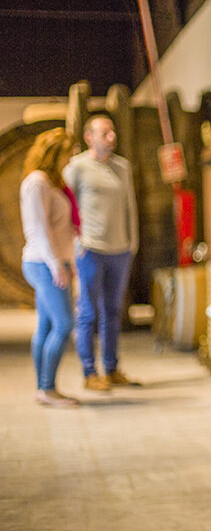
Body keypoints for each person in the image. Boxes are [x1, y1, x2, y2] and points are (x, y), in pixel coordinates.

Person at [64, 114, 138, 391]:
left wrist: (133, 243)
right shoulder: (76, 168)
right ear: (89, 137)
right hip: (90, 249)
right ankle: (89, 372)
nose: (111, 137)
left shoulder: (123, 167)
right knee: (87, 312)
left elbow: (130, 205)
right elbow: (66, 208)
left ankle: (112, 367)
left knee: (113, 311)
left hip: (120, 250)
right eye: (105, 133)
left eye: (112, 132)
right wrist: (75, 245)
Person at [20, 127, 80, 407]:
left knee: (45, 325)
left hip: (57, 261)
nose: (70, 159)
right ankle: (47, 388)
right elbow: (38, 230)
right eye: (67, 153)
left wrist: (69, 260)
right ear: (54, 154)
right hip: (42, 262)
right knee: (64, 323)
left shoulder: (52, 182)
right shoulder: (36, 183)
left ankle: (44, 388)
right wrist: (57, 266)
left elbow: (62, 229)